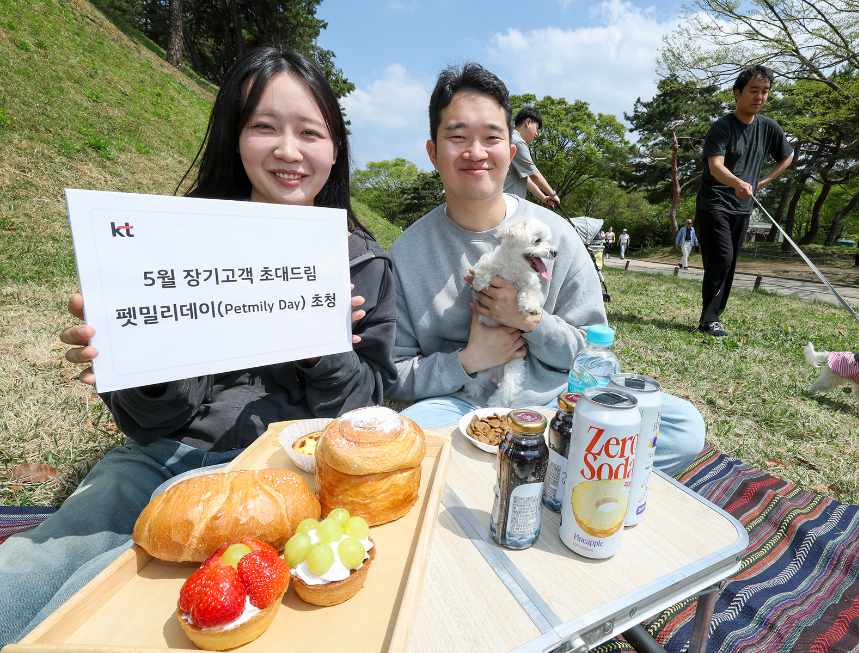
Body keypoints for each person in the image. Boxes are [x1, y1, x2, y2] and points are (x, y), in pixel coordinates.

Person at [0, 47, 397, 647]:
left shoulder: (365, 265)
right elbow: (151, 421)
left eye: (309, 133)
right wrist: (137, 358)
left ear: (334, 149)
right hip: (167, 457)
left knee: (129, 622)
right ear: (234, 140)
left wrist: (322, 342)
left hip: (290, 480)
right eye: (264, 126)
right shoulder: (176, 244)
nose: (288, 151)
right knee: (37, 578)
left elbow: (367, 411)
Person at [387, 62, 705, 478]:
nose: (476, 152)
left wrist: (531, 322)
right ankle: (555, 471)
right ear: (433, 152)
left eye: (491, 137)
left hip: (555, 404)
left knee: (681, 427)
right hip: (460, 403)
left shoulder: (556, 237)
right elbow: (394, 373)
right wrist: (467, 359)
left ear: (511, 153)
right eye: (458, 136)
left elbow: (589, 353)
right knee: (404, 434)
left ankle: (511, 471)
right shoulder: (407, 252)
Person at [694, 65, 794, 338]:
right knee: (722, 259)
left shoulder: (769, 128)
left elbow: (787, 156)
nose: (759, 97)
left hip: (742, 207)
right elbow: (716, 167)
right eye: (753, 91)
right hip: (714, 202)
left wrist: (762, 182)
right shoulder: (722, 127)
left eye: (765, 92)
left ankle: (712, 317)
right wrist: (737, 182)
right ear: (737, 93)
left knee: (731, 262)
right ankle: (709, 319)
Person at [503, 106, 560, 206]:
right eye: (537, 128)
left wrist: (543, 197)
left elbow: (526, 177)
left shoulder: (508, 138)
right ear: (528, 122)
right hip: (507, 204)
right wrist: (552, 194)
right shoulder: (518, 142)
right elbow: (534, 175)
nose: (537, 134)